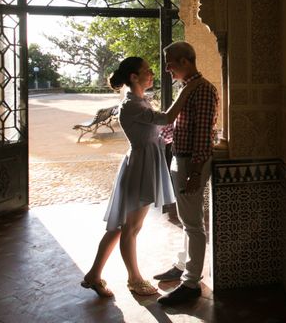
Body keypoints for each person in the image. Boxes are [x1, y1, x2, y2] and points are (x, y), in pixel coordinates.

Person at [81, 56, 200, 298]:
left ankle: (93, 275)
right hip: (140, 168)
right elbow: (166, 118)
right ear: (134, 77)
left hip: (142, 164)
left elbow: (158, 130)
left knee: (119, 227)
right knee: (131, 228)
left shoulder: (139, 101)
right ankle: (134, 279)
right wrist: (187, 91)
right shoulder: (131, 105)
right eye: (147, 71)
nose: (152, 73)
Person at [154, 41, 219, 305]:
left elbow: (203, 135)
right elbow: (178, 127)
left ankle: (191, 282)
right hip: (181, 159)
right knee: (186, 219)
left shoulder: (201, 89)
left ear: (184, 61)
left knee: (193, 223)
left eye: (170, 63)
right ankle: (182, 266)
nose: (167, 69)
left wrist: (194, 171)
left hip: (191, 162)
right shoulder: (187, 88)